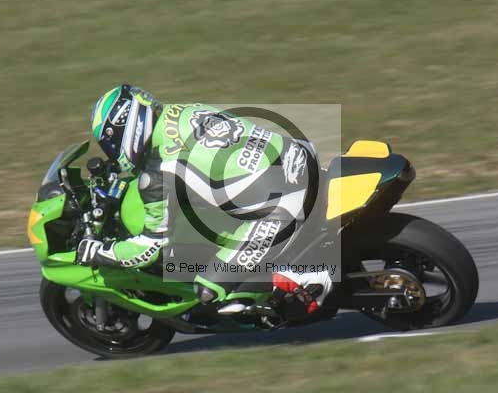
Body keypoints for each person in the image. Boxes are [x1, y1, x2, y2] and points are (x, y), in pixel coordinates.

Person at [77, 84, 332, 317]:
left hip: (284, 206)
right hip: (300, 157)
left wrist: (99, 252)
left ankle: (305, 280)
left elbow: (148, 249)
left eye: (111, 143)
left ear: (126, 128)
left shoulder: (157, 174)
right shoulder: (182, 110)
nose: (113, 151)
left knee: (208, 290)